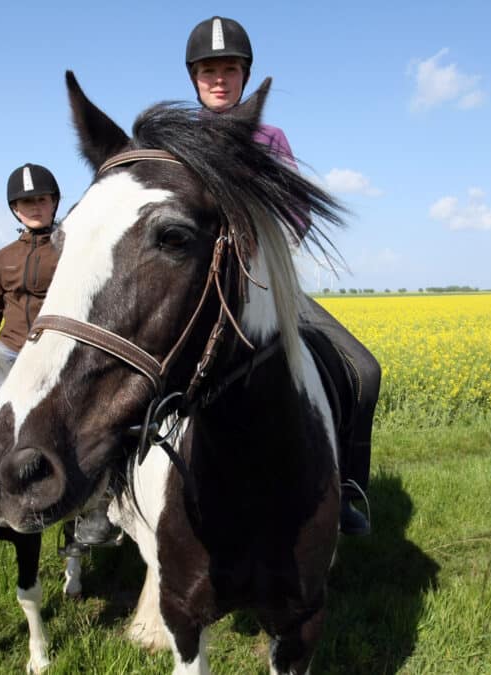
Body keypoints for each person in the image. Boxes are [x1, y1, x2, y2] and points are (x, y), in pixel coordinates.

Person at [185, 16, 382, 535]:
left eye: (229, 69)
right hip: (196, 293)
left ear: (245, 76)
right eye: (209, 70)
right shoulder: (179, 138)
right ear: (194, 78)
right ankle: (110, 502)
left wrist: (269, 251)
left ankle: (344, 489)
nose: (220, 79)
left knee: (363, 370)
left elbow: (297, 209)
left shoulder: (270, 138)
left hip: (268, 283)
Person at [0, 163, 121, 551]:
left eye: (42, 200)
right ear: (15, 209)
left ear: (54, 203)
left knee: (79, 428)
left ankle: (93, 510)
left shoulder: (71, 247)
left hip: (57, 358)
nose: (34, 207)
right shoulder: (2, 258)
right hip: (9, 355)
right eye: (26, 202)